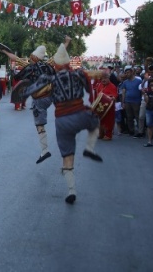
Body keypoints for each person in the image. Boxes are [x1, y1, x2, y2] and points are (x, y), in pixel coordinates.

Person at [23, 44, 102, 204]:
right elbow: (88, 88)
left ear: (56, 65)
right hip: (80, 115)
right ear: (68, 63)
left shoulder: (49, 78)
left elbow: (29, 90)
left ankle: (71, 190)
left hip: (62, 121)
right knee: (95, 123)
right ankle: (89, 148)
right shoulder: (79, 74)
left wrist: (22, 95)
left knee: (67, 156)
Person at [0, 36, 72, 164]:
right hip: (50, 96)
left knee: (39, 125)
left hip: (39, 99)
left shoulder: (30, 65)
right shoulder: (48, 63)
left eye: (31, 56)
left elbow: (15, 59)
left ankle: (45, 150)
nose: (30, 58)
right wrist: (66, 42)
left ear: (34, 57)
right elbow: (58, 53)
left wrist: (5, 52)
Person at [93, 71, 118, 140]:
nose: (103, 80)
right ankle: (101, 133)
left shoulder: (112, 86)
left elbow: (114, 96)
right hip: (101, 106)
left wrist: (112, 97)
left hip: (108, 107)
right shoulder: (99, 85)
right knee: (101, 120)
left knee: (108, 121)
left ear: (108, 78)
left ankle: (108, 135)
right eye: (102, 78)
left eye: (105, 78)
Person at [120, 66, 143, 138]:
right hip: (127, 101)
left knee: (137, 116)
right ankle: (131, 130)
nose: (127, 74)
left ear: (132, 72)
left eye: (128, 72)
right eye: (126, 73)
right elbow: (123, 92)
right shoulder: (125, 82)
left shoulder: (138, 81)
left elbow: (141, 91)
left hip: (136, 101)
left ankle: (140, 131)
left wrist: (142, 100)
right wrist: (123, 102)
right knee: (129, 117)